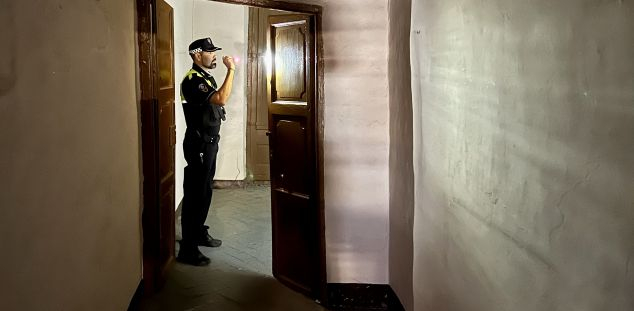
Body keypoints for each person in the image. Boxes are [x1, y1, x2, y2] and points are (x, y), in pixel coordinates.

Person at [177, 37, 235, 266]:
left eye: (214, 52)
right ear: (196, 54)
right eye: (209, 52)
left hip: (209, 143)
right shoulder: (193, 80)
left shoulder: (205, 77)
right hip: (199, 145)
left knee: (205, 191)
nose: (214, 56)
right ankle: (188, 249)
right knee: (195, 195)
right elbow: (221, 99)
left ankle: (199, 232)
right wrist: (231, 70)